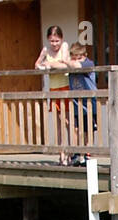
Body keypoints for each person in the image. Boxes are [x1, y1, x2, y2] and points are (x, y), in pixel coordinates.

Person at [35, 26, 74, 165]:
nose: (54, 44)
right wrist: (44, 66)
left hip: (65, 86)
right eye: (52, 41)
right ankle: (61, 154)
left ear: (61, 39)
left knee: (68, 122)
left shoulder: (64, 46)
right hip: (53, 88)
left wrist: (50, 64)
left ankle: (70, 152)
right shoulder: (46, 50)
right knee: (58, 124)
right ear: (48, 40)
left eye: (57, 40)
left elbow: (64, 64)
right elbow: (37, 64)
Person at [67, 43, 97, 165]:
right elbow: (56, 66)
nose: (76, 60)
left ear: (85, 56)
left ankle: (87, 153)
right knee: (76, 129)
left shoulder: (88, 63)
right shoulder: (70, 64)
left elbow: (76, 65)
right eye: (74, 57)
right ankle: (77, 153)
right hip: (76, 104)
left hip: (90, 104)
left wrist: (65, 60)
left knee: (88, 130)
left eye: (79, 57)